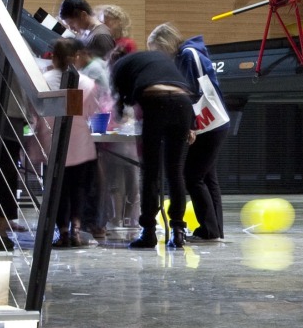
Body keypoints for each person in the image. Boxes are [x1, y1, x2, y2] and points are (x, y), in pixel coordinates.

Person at [111, 36, 196, 248]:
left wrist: (122, 117)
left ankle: (148, 231)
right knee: (175, 170)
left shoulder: (118, 66)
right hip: (183, 104)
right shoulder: (155, 58)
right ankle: (178, 230)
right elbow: (179, 84)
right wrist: (190, 125)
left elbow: (123, 101)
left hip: (155, 102)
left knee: (151, 171)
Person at [162, 23, 231, 244]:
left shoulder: (187, 55)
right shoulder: (193, 52)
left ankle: (209, 230)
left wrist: (189, 124)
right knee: (208, 177)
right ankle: (214, 229)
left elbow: (191, 91)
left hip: (207, 125)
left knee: (193, 176)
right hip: (216, 123)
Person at [38, 38, 103, 246]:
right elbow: (92, 111)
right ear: (75, 58)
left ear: (53, 57)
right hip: (80, 144)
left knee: (58, 190)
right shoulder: (86, 82)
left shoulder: (43, 80)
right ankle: (76, 228)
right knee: (79, 189)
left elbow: (35, 110)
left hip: (52, 143)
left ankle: (63, 231)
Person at [88, 28, 140, 236]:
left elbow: (108, 107)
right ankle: (126, 220)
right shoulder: (130, 81)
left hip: (120, 141)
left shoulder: (116, 81)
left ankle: (118, 219)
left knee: (118, 183)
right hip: (125, 141)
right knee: (129, 182)